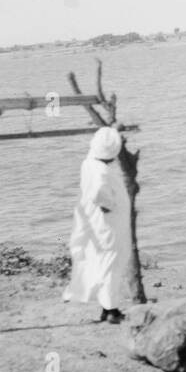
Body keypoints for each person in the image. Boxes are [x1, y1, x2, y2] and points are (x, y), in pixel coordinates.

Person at [63, 126, 134, 322]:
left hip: (102, 222)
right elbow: (97, 194)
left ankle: (107, 307)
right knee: (112, 263)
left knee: (106, 263)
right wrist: (108, 205)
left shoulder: (90, 163)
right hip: (107, 223)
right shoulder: (101, 170)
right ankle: (112, 310)